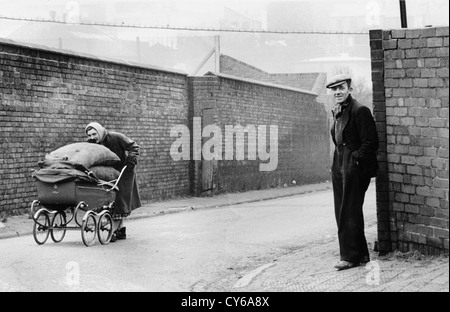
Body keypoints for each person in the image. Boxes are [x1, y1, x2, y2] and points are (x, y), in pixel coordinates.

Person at [327, 74, 379, 271]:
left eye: (341, 88)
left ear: (350, 89)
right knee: (343, 209)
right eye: (334, 89)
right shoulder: (338, 111)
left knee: (348, 210)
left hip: (354, 167)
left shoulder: (360, 110)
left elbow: (372, 142)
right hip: (340, 165)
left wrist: (356, 159)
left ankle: (350, 257)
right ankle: (361, 255)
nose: (338, 92)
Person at [85, 122, 141, 242]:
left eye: (94, 134)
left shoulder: (116, 137)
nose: (92, 137)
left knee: (119, 201)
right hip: (107, 172)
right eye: (89, 135)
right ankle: (120, 230)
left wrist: (131, 161)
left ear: (100, 131)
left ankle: (114, 230)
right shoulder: (92, 144)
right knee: (107, 198)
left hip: (123, 172)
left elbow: (134, 146)